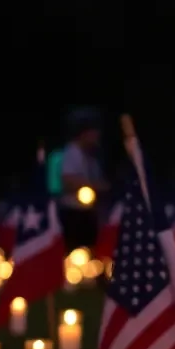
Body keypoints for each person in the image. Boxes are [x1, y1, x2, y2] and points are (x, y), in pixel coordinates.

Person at [59, 108, 108, 251]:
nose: (97, 136)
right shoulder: (72, 152)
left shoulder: (92, 157)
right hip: (73, 211)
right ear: (84, 133)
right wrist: (95, 186)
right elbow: (67, 180)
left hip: (89, 211)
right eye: (94, 132)